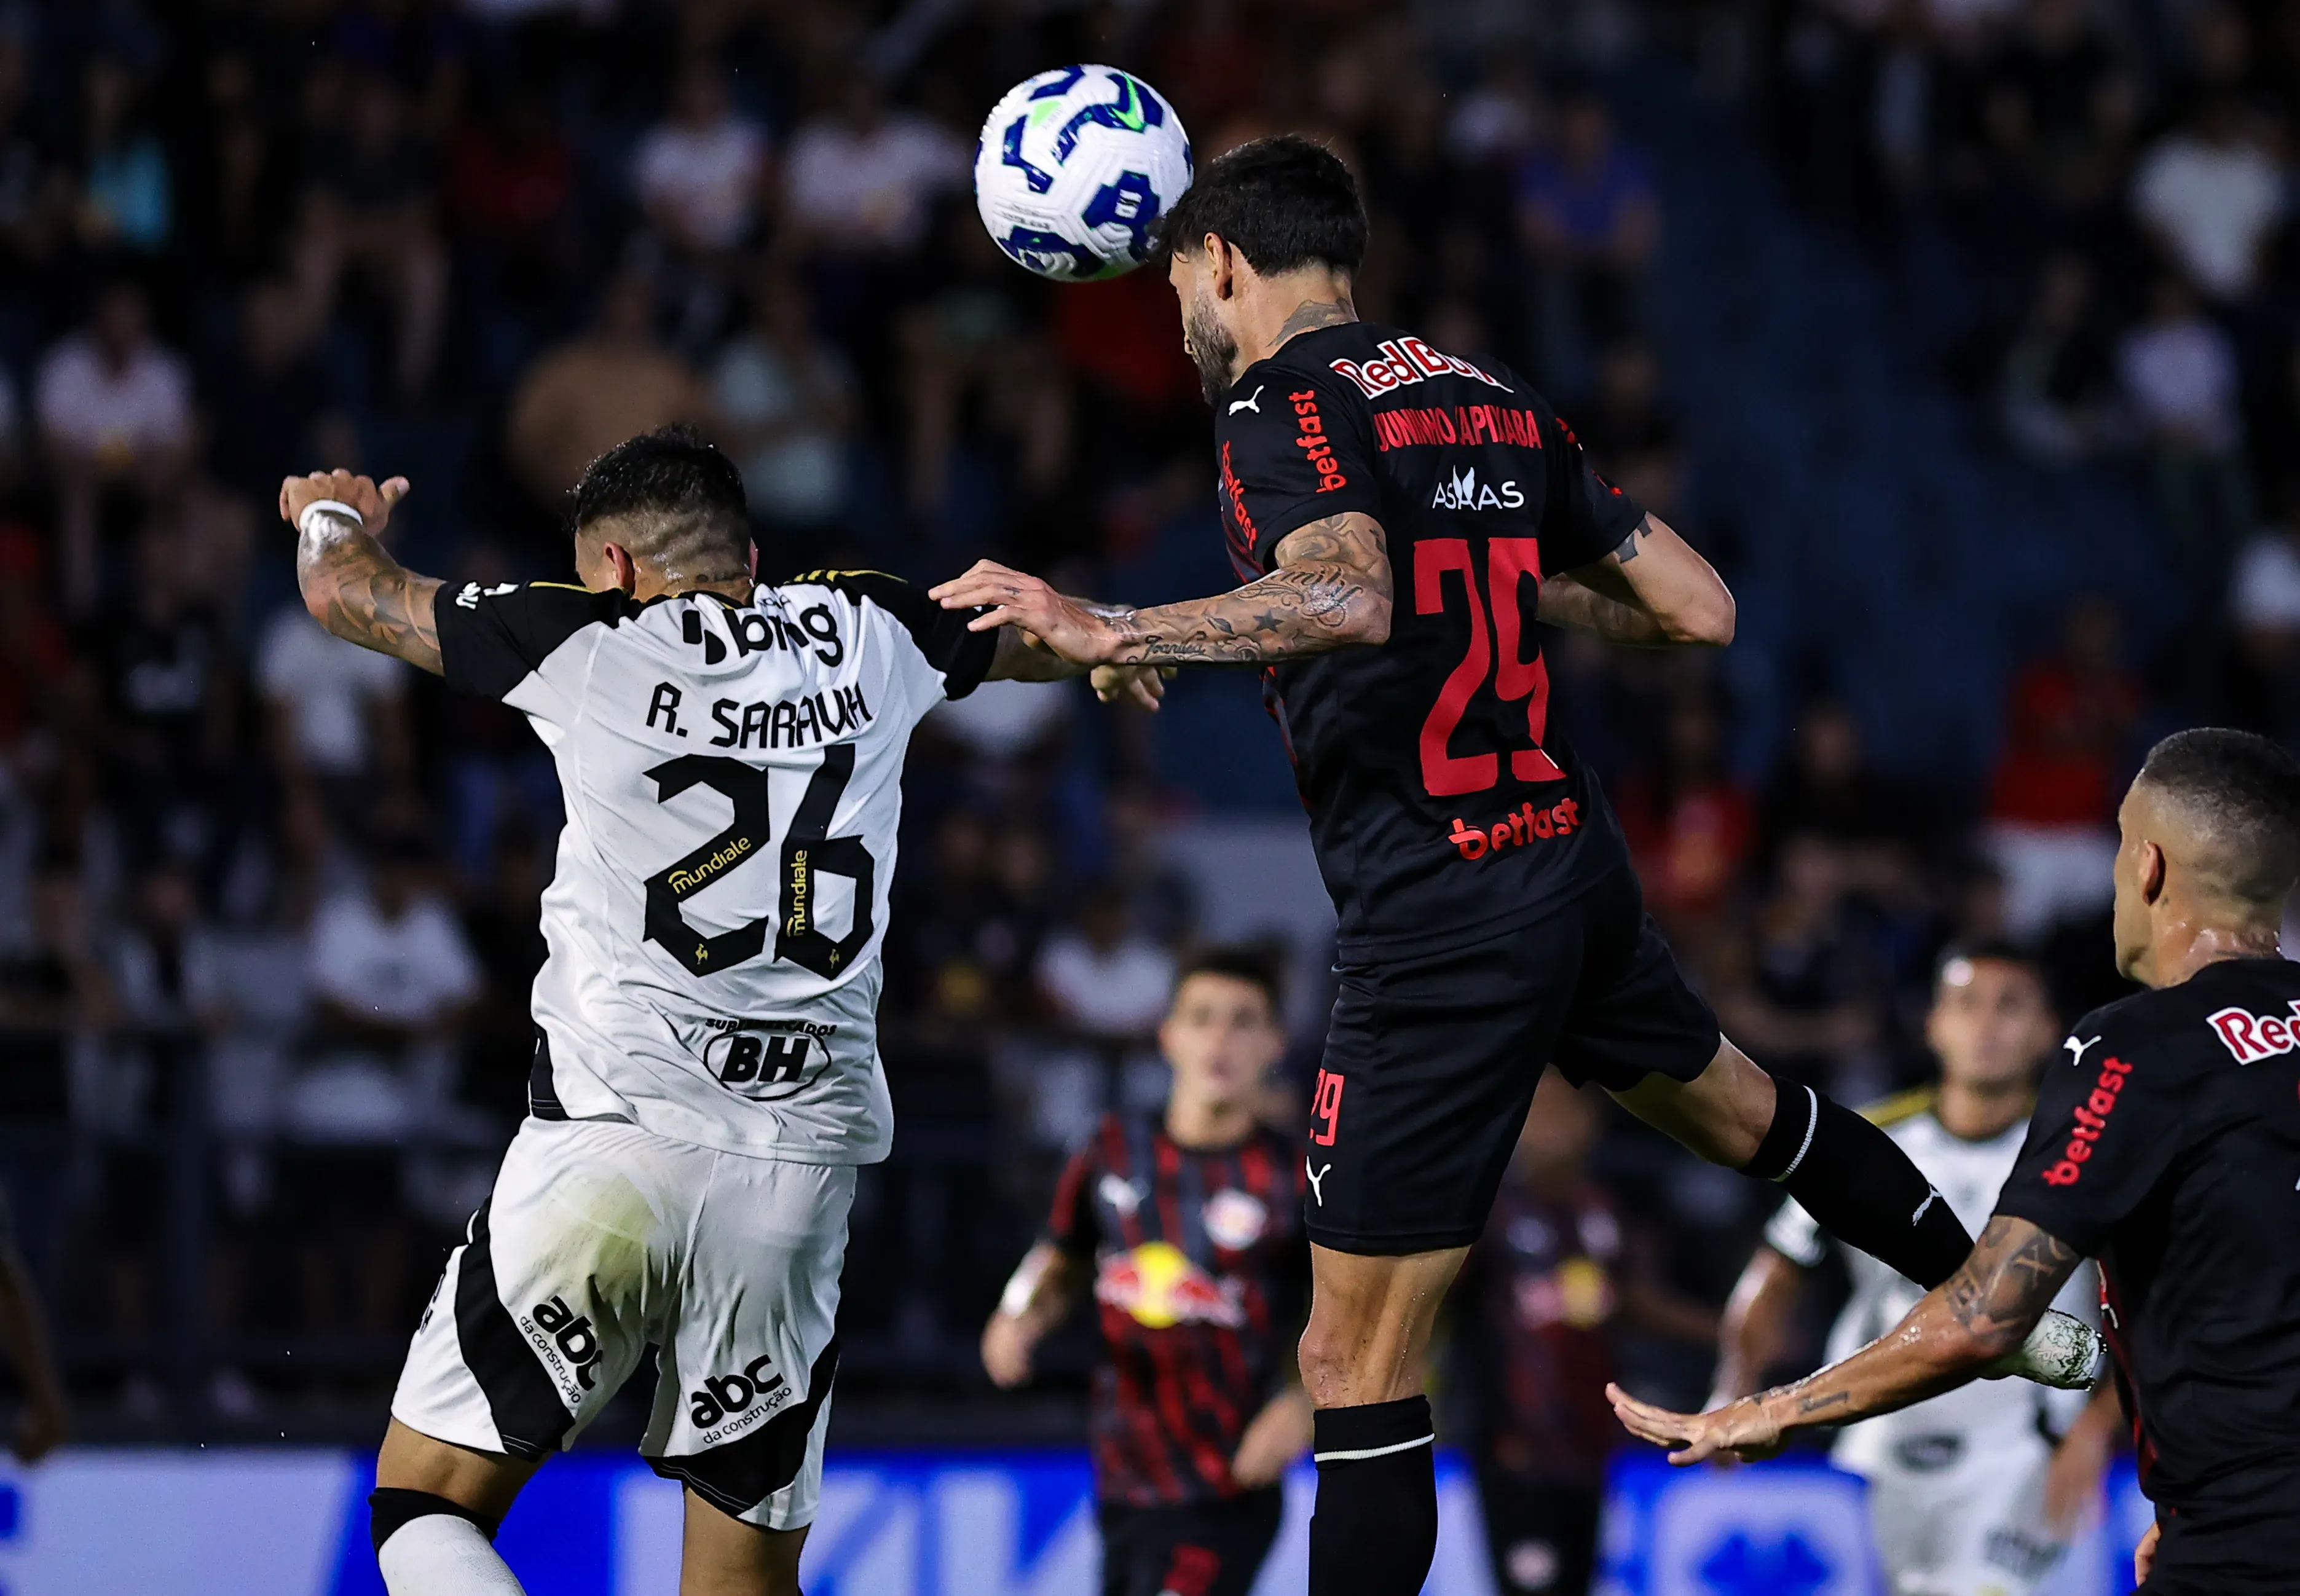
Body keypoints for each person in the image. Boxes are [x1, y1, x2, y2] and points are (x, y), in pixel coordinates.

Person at [928, 135, 2092, 1596]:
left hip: (1436, 910)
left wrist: (1112, 626)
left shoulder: (1274, 408)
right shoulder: (1479, 395)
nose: (1176, 306)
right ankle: (2021, 1306)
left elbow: (1342, 595)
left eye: (1176, 277)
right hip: (1561, 850)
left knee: (1352, 1356)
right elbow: (1698, 611)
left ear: (1221, 261)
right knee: (1749, 1113)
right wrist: (1464, 575)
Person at [272, 427, 1086, 1596]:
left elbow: (344, 594)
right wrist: (1108, 648)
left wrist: (331, 514)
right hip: (794, 1182)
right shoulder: (871, 627)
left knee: (423, 1502)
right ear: (749, 557)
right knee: (741, 1588)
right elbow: (1024, 641)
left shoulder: (587, 640)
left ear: (611, 569)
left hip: (608, 1147)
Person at [1611, 727, 2300, 1594]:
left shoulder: (2136, 1050)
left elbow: (1984, 1315)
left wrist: (1771, 1409)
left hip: (2236, 1536)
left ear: (2149, 865)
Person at [1710, 942, 2118, 1596]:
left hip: (2024, 1454)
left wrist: (2097, 1429)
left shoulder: (2085, 1154)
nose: (1986, 1024)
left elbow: (2153, 1304)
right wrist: (1734, 1381)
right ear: (1933, 1022)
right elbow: (1777, 1269)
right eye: (1966, 1002)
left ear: (2048, 1030)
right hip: (1885, 1451)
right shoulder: (1868, 1144)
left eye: (2009, 1005)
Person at [982, 948, 1310, 1596]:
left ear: (1274, 1042)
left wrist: (1301, 1405)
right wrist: (1017, 1312)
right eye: (1202, 1017)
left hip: (1229, 1479)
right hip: (1124, 1476)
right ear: (1168, 1034)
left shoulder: (1295, 1177)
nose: (1220, 1039)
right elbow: (1063, 1253)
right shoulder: (1110, 1148)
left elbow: (1337, 1313)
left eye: (1243, 1021)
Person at [1451, 1072, 1717, 1596]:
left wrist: (1727, 1330)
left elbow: (1639, 1302)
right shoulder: (1488, 1212)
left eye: (1566, 1111)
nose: (1553, 1126)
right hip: (1514, 1448)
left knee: (1576, 1583)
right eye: (1538, 1111)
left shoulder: (1605, 1210)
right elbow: (1435, 1297)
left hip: (1589, 1446)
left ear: (1592, 1122)